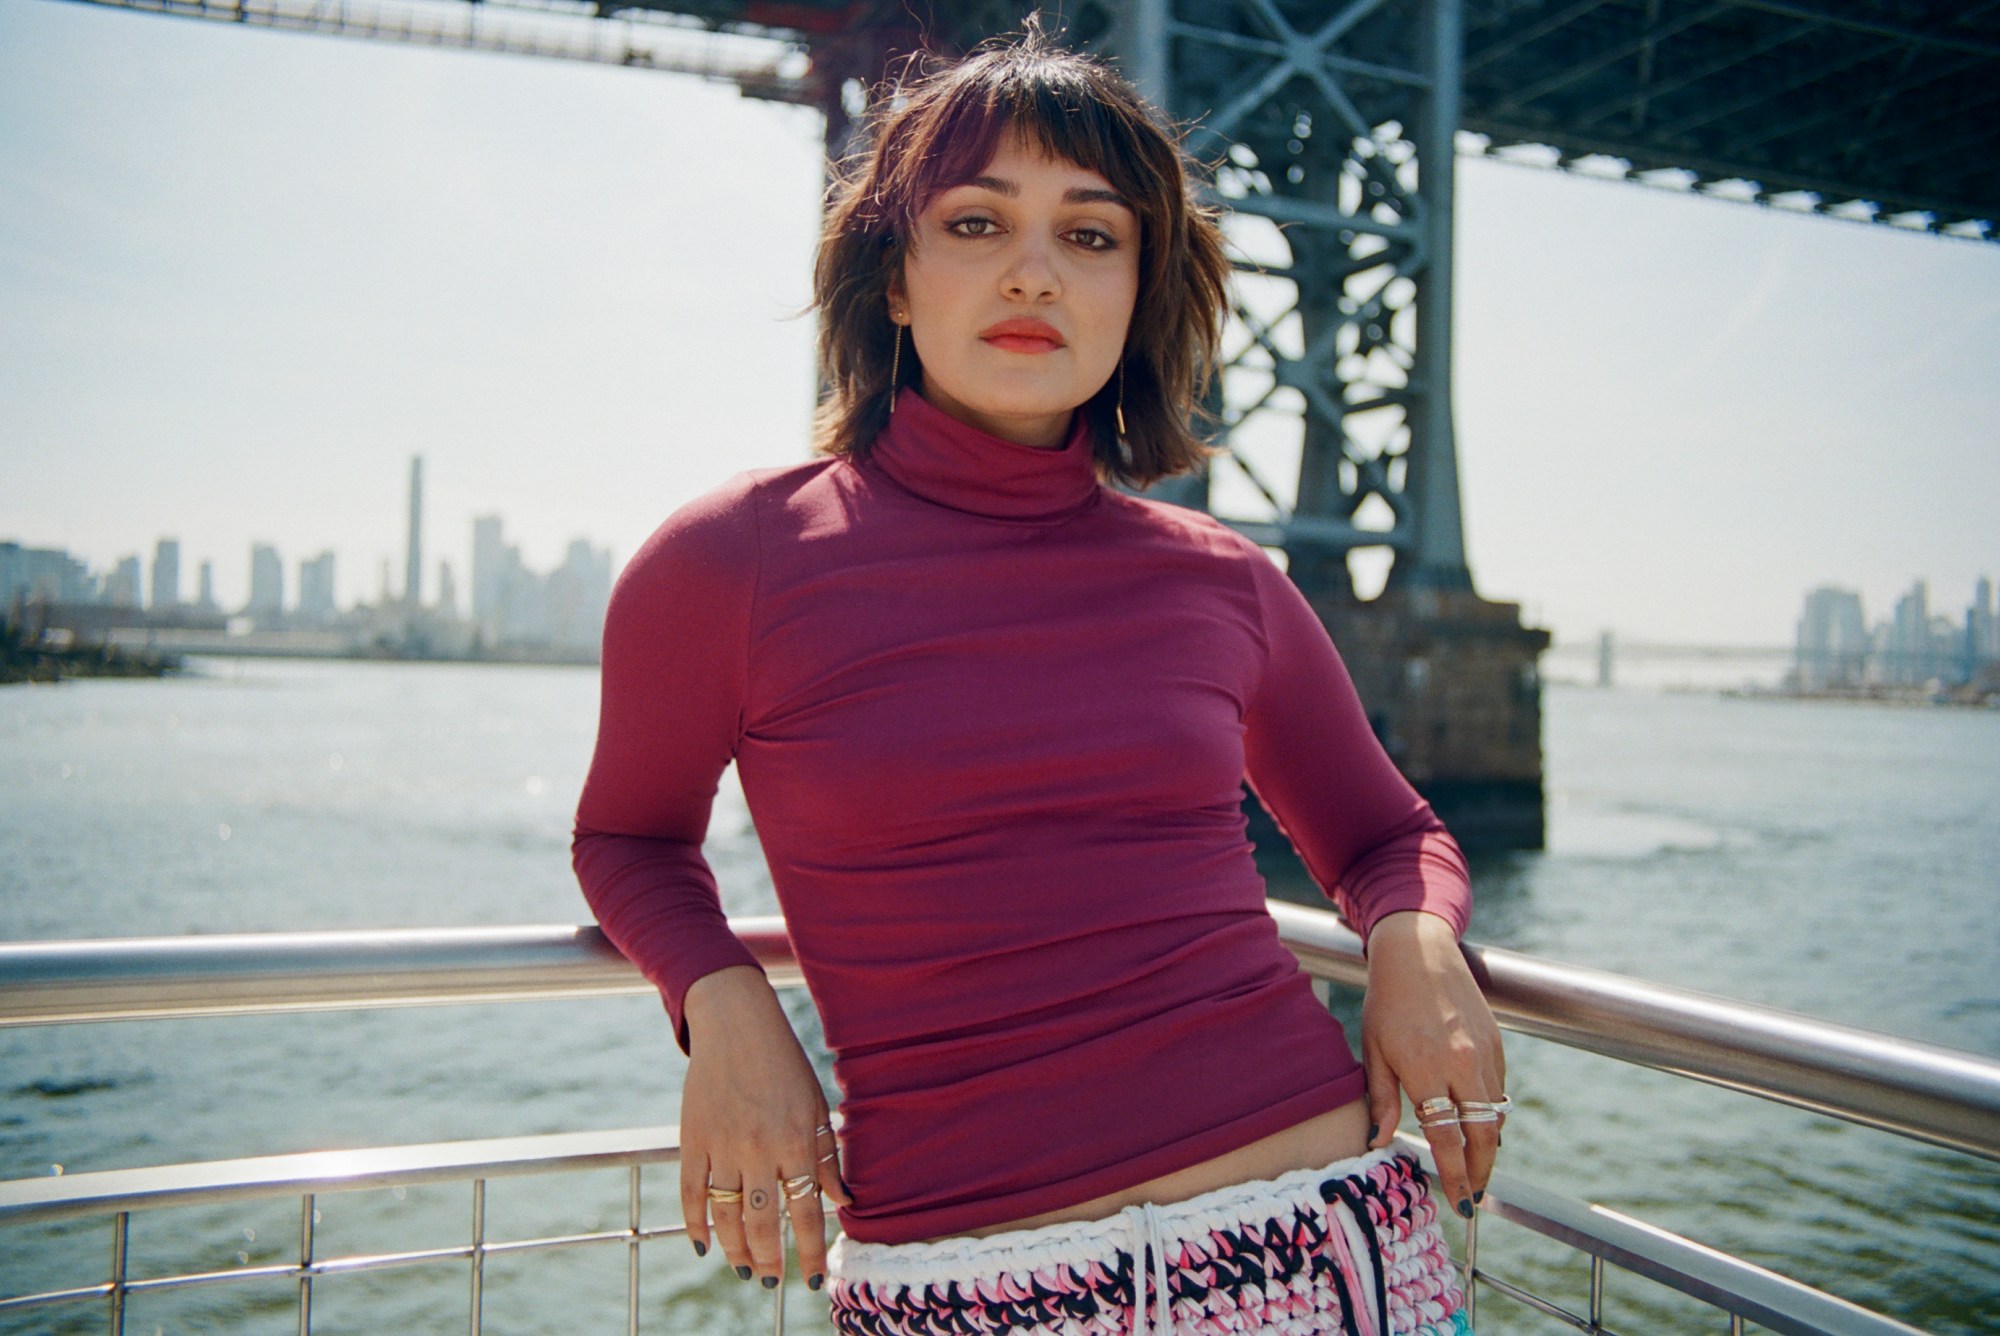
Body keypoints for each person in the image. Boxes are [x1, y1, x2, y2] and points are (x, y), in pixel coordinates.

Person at [573, 26, 1505, 1336]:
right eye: (974, 224)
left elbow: (1385, 834)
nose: (1034, 272)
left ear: (1136, 292)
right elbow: (627, 837)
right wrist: (723, 1000)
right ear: (892, 276)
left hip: (1331, 1249)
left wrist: (1416, 949)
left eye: (1090, 235)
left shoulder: (1223, 581)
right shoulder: (730, 562)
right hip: (967, 1292)